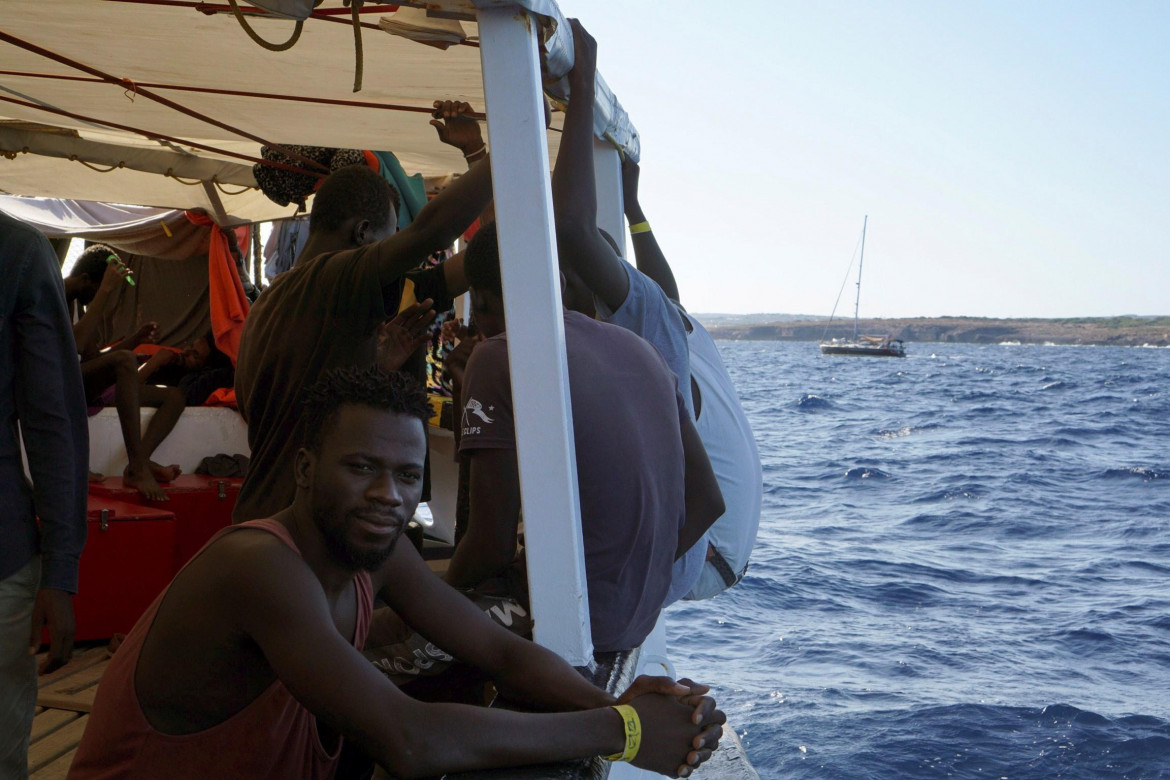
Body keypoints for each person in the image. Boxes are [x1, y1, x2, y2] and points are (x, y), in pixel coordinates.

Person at [68, 366, 724, 779]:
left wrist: (623, 708)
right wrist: (627, 732)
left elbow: (499, 650)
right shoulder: (259, 567)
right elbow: (408, 741)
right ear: (304, 470)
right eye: (361, 468)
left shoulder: (378, 555)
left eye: (408, 476)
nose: (390, 493)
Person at [552, 22, 763, 601]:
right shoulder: (669, 324)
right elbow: (662, 289)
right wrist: (634, 207)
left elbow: (571, 232)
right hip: (727, 550)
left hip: (703, 554)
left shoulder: (641, 333)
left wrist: (581, 80)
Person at [446, 220, 726, 653]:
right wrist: (623, 574)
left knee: (379, 630)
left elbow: (488, 545)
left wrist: (440, 593)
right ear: (558, 281)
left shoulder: (497, 354)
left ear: (480, 301)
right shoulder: (642, 350)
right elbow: (708, 501)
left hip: (567, 621)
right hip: (635, 620)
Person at [233, 101, 491, 523]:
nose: (398, 259)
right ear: (363, 233)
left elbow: (486, 256)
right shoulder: (327, 280)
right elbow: (434, 230)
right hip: (304, 530)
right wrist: (507, 138)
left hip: (271, 517)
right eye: (391, 242)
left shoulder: (277, 302)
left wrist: (476, 154)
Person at [1, 212, 88, 777]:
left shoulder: (19, 253)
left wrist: (60, 569)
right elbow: (52, 420)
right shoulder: (18, 252)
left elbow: (54, 421)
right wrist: (60, 570)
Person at [65, 245, 186, 500]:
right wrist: (106, 289)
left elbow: (93, 359)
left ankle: (138, 463)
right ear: (87, 281)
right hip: (54, 384)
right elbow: (72, 346)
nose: (103, 297)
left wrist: (135, 339)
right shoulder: (55, 295)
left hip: (78, 383)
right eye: (100, 289)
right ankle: (139, 468)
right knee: (124, 360)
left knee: (175, 396)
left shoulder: (81, 306)